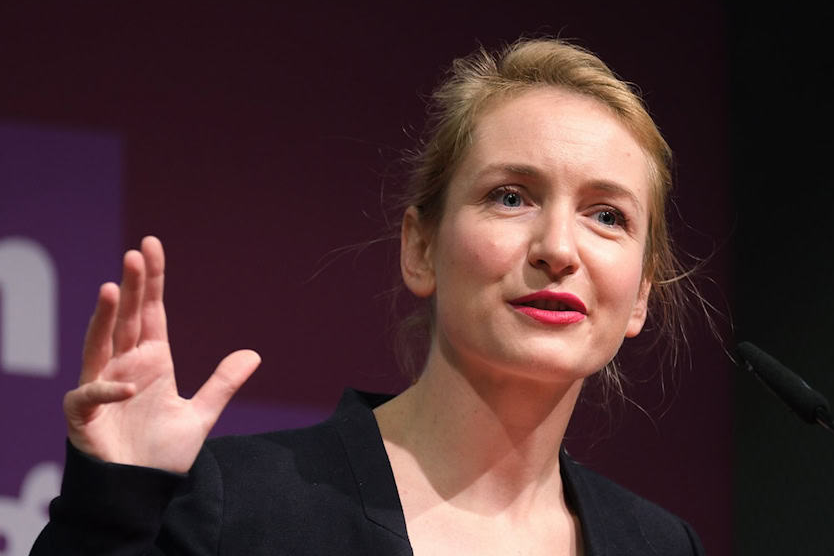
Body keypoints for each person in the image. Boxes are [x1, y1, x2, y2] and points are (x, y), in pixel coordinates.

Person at [31, 38, 704, 555]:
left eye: (608, 216)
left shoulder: (660, 545)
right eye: (511, 196)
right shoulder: (243, 507)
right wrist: (112, 509)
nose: (559, 247)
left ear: (640, 294)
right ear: (420, 247)